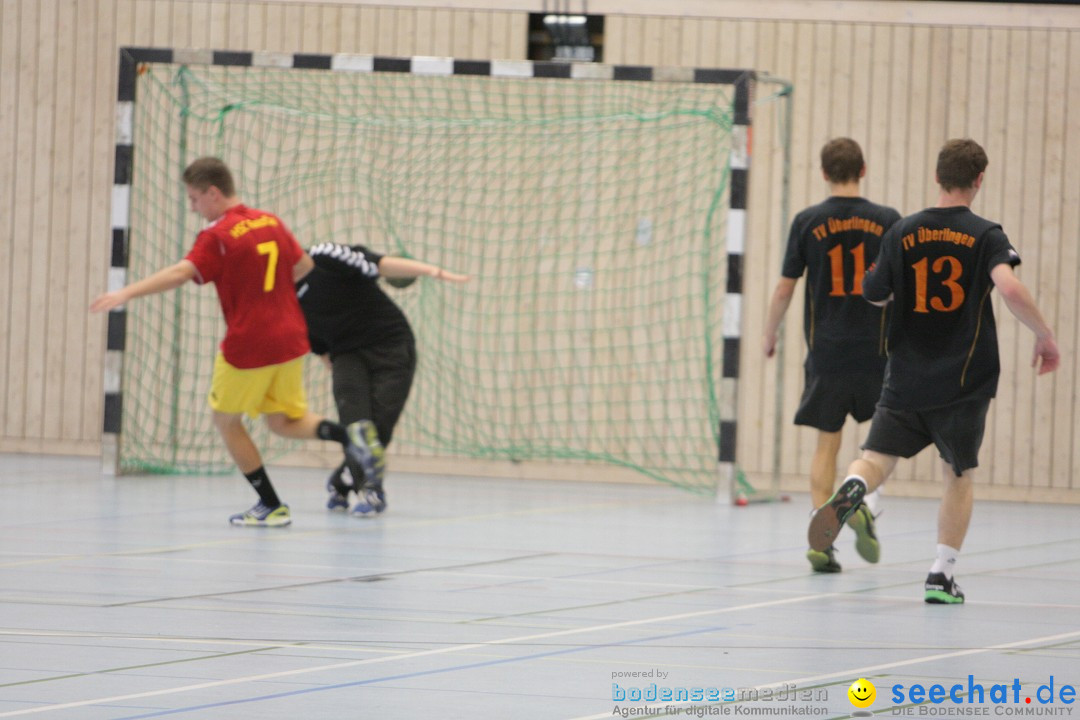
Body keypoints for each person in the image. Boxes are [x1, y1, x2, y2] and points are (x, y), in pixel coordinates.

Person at [807, 138, 1060, 603]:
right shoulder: (988, 235)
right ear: (979, 180)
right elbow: (1009, 287)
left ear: (937, 177)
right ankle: (941, 575)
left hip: (904, 375)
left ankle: (853, 488)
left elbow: (875, 293)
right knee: (957, 473)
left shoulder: (902, 231)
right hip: (964, 381)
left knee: (877, 458)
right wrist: (1045, 335)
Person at [91, 157, 377, 528]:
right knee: (281, 421)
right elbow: (304, 268)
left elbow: (181, 272)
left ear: (213, 193)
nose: (193, 208)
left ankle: (270, 504)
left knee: (225, 421)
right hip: (291, 338)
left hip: (250, 344)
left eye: (194, 199)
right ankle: (349, 436)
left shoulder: (217, 236)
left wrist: (126, 292)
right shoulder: (270, 221)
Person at [763, 138, 902, 573]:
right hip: (877, 349)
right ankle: (865, 501)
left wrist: (770, 333)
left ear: (823, 173)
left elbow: (786, 287)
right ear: (864, 168)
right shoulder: (888, 221)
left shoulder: (807, 221)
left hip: (826, 350)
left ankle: (821, 534)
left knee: (827, 441)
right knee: (880, 442)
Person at [295, 242, 468, 516]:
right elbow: (316, 343)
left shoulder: (326, 256)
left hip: (391, 345)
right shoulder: (281, 295)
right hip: (346, 355)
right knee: (356, 427)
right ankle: (371, 490)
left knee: (380, 427)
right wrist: (335, 368)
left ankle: (342, 480)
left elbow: (381, 264)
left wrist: (433, 271)